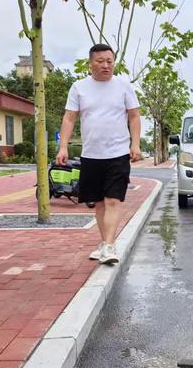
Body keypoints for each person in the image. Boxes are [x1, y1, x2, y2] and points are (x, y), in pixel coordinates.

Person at [56, 44, 141, 265]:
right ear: (90, 63)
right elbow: (69, 118)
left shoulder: (123, 86)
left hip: (118, 153)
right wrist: (63, 146)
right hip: (91, 154)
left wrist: (136, 144)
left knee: (113, 200)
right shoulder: (79, 87)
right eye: (100, 61)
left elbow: (134, 116)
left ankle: (110, 246)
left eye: (109, 61)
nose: (106, 65)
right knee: (99, 204)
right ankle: (105, 244)